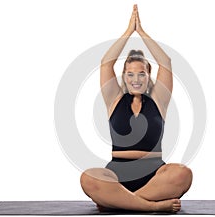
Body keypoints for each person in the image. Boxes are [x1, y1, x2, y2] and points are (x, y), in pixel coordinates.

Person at [80, 4, 192, 212]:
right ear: (124, 76)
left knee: (182, 173)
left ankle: (119, 202)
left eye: (141, 73)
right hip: (117, 174)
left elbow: (165, 62)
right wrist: (128, 31)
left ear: (148, 76)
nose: (136, 79)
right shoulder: (114, 98)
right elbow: (106, 63)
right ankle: (152, 206)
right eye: (130, 74)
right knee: (88, 178)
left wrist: (141, 32)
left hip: (155, 175)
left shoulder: (159, 100)